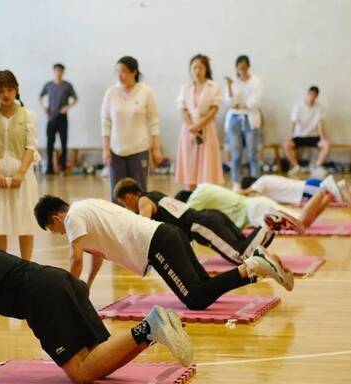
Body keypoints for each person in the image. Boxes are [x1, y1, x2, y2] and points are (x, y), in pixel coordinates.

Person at [0, 223, 194, 384]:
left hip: (40, 297)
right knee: (100, 365)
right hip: (56, 281)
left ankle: (149, 326)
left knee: (82, 374)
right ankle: (153, 330)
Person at [34, 195, 294, 311]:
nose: (60, 234)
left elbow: (75, 257)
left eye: (53, 229)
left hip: (156, 243)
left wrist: (69, 290)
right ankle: (257, 268)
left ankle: (252, 265)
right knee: (203, 286)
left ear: (56, 218)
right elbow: (94, 255)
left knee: (195, 299)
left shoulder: (72, 218)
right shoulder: (87, 206)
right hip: (166, 234)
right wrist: (86, 286)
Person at [113, 177, 275, 265]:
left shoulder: (143, 201)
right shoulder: (155, 194)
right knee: (245, 246)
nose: (125, 206)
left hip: (201, 225)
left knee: (241, 257)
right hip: (210, 216)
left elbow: (143, 226)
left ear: (127, 197)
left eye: (123, 203)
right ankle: (271, 228)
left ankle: (268, 225)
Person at [0, 70, 39, 260]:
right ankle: (1, 266)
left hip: (23, 176)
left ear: (16, 90)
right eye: (1, 90)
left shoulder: (28, 115)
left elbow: (31, 146)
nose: (6, 94)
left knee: (25, 223)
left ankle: (27, 266)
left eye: (10, 89)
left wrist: (20, 173)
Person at [181, 175, 348, 232]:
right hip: (257, 206)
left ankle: (324, 188)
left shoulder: (196, 198)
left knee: (301, 223)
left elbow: (184, 217)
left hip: (255, 210)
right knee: (304, 223)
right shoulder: (204, 188)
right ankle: (329, 194)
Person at [101, 56, 162, 199]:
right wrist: (105, 148)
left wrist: (156, 149)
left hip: (139, 148)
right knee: (117, 193)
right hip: (116, 150)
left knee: (139, 191)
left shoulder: (146, 91)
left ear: (134, 72)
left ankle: (139, 220)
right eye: (117, 72)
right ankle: (116, 221)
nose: (120, 75)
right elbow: (105, 121)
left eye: (123, 71)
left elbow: (154, 121)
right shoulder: (111, 93)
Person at [240, 161, 351, 206]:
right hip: (309, 186)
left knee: (348, 199)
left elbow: (249, 193)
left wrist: (234, 193)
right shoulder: (265, 179)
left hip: (309, 189)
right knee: (349, 197)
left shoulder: (261, 182)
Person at [176, 54, 223, 190]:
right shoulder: (185, 88)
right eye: (194, 67)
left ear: (206, 69)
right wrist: (191, 126)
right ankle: (190, 194)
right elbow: (182, 109)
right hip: (188, 130)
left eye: (200, 67)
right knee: (189, 163)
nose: (197, 71)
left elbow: (214, 109)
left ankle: (206, 195)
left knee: (207, 164)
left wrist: (198, 126)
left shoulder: (213, 86)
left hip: (206, 128)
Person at [224, 55, 263, 191]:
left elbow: (255, 101)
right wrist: (229, 86)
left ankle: (255, 182)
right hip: (235, 119)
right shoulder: (232, 82)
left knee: (252, 153)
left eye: (245, 68)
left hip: (250, 119)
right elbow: (229, 102)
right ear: (236, 68)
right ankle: (236, 181)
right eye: (240, 69)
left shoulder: (256, 81)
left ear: (248, 67)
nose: (243, 71)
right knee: (236, 153)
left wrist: (243, 104)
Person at [39, 63, 78, 175]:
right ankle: (50, 168)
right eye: (56, 71)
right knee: (50, 143)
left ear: (63, 72)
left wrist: (68, 107)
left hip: (62, 118)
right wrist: (44, 107)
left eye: (60, 71)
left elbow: (75, 99)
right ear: (53, 72)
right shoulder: (49, 85)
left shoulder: (67, 85)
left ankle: (62, 167)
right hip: (51, 118)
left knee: (64, 143)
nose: (58, 73)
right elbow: (40, 96)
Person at [283, 86, 330, 177]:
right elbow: (293, 124)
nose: (312, 98)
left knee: (327, 144)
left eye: (315, 96)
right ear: (307, 94)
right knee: (286, 144)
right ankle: (296, 167)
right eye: (311, 95)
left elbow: (320, 125)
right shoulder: (298, 106)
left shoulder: (319, 107)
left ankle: (317, 166)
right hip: (299, 136)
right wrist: (290, 138)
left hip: (313, 136)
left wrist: (323, 138)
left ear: (317, 97)